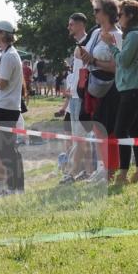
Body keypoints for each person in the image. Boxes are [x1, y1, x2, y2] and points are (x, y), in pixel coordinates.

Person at [103, 0, 138, 185]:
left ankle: (123, 174)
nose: (118, 18)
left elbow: (123, 61)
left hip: (133, 89)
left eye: (121, 14)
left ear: (130, 16)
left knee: (120, 130)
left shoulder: (134, 36)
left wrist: (111, 45)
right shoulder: (137, 34)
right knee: (134, 130)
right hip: (135, 88)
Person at [78, 0, 123, 182]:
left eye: (96, 10)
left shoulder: (118, 35)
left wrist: (94, 61)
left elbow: (118, 67)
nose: (94, 14)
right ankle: (103, 166)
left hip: (112, 88)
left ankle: (111, 169)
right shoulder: (96, 33)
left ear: (106, 12)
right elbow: (83, 54)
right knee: (97, 128)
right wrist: (85, 55)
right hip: (95, 87)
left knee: (109, 129)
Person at [0, 21, 26, 194]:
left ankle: (16, 187)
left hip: (6, 107)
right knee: (6, 149)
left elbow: (1, 84)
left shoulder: (9, 56)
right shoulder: (7, 54)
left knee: (7, 149)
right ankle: (15, 186)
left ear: (2, 34)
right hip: (5, 106)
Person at [63, 12, 93, 183]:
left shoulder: (88, 43)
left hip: (81, 97)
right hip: (74, 97)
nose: (69, 27)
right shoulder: (79, 44)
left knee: (79, 138)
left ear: (81, 25)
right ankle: (87, 171)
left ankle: (72, 173)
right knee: (81, 138)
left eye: (71, 24)